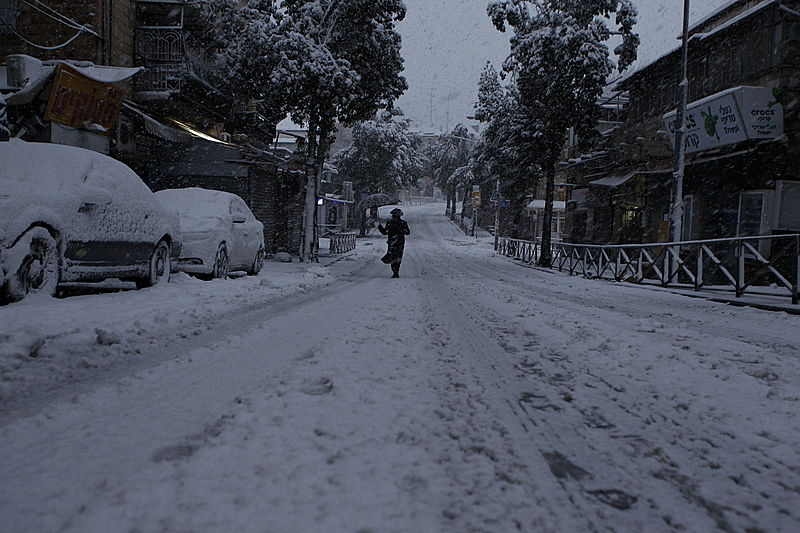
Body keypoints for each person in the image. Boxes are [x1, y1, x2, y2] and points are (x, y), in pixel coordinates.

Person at [378, 208, 410, 278]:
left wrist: (379, 227)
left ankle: (394, 271)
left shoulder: (390, 223)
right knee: (398, 256)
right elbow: (408, 232)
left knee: (392, 256)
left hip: (392, 242)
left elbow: (385, 232)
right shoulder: (403, 223)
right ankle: (396, 271)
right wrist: (401, 230)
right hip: (400, 242)